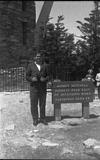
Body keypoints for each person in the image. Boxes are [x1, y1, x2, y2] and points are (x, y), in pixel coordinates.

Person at [26, 52, 50, 126]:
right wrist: (31, 79)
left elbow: (49, 76)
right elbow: (27, 76)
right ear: (35, 58)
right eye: (37, 56)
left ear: (41, 58)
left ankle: (42, 118)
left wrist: (45, 79)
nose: (38, 58)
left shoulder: (45, 66)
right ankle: (35, 119)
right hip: (34, 88)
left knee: (42, 104)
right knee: (34, 104)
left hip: (42, 88)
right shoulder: (30, 65)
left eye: (40, 56)